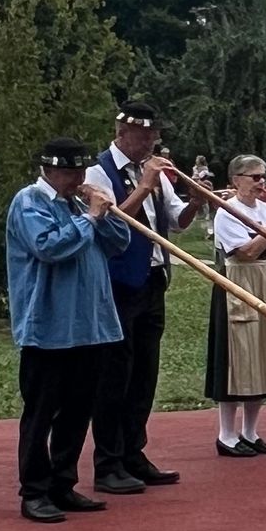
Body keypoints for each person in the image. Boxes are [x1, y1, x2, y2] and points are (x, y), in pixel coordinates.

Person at [6, 137, 132, 524]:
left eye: (80, 170)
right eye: (69, 171)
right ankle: (35, 491)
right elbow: (50, 247)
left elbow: (120, 244)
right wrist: (90, 219)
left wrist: (107, 214)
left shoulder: (78, 204)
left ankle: (63, 482)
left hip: (90, 327)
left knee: (78, 410)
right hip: (48, 328)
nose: (77, 178)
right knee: (42, 411)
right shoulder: (29, 201)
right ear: (49, 169)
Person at [90, 100, 195, 494]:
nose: (151, 141)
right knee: (115, 375)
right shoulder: (97, 171)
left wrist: (197, 201)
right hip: (117, 285)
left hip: (153, 280)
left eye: (155, 134)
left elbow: (176, 222)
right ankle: (108, 463)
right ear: (121, 133)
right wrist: (146, 184)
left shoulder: (155, 173)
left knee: (145, 375)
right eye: (144, 134)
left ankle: (134, 452)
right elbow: (110, 220)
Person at [203, 154, 266, 458]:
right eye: (254, 176)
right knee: (237, 358)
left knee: (264, 353)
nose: (261, 182)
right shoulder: (228, 212)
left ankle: (250, 431)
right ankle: (226, 434)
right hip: (238, 281)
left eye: (263, 176)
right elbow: (246, 252)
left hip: (265, 280)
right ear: (235, 180)